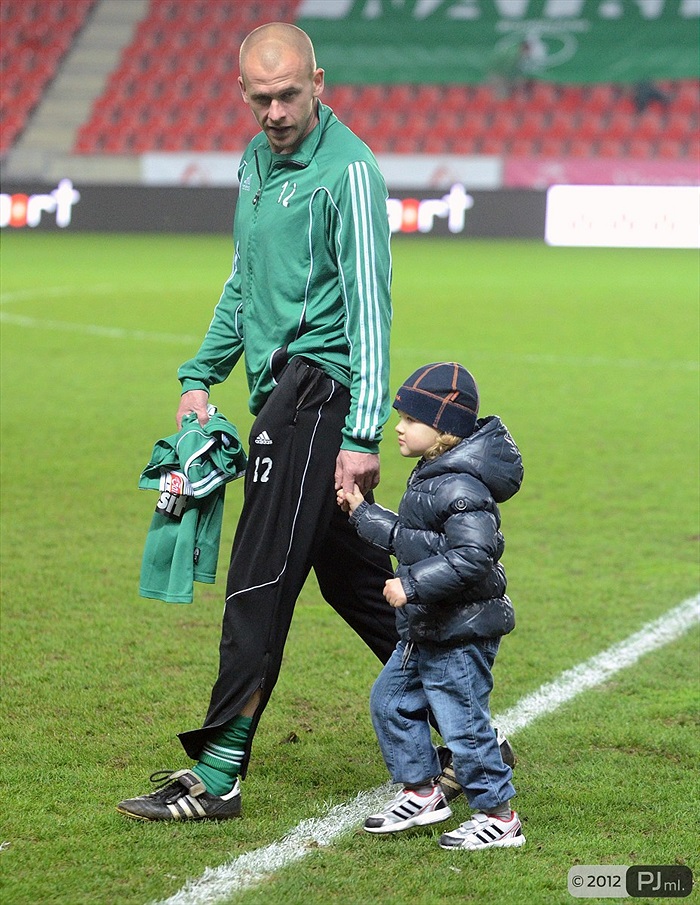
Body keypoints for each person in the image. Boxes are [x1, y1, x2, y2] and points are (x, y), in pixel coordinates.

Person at [116, 22, 399, 822]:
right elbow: (244, 281)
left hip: (319, 394)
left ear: (318, 80)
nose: (276, 111)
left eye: (289, 94)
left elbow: (371, 310)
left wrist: (363, 435)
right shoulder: (252, 160)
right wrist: (200, 372)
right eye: (262, 97)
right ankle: (463, 724)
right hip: (276, 394)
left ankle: (218, 772)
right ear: (241, 91)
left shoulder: (350, 174)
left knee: (257, 579)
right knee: (357, 580)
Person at [337, 362, 526, 850]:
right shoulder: (434, 475)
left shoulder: (461, 486)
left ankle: (499, 817)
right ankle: (422, 791)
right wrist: (362, 514)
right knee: (391, 702)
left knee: (464, 726)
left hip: (459, 629)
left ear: (443, 429)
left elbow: (475, 556)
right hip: (428, 626)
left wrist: (414, 585)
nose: (397, 427)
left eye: (410, 419)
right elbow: (411, 537)